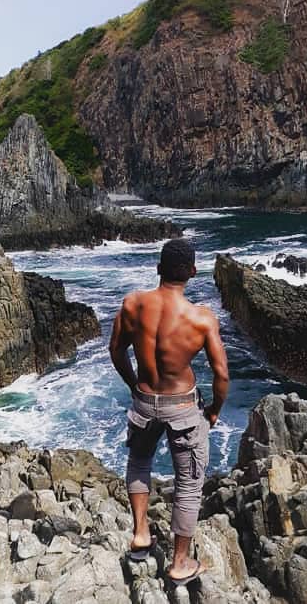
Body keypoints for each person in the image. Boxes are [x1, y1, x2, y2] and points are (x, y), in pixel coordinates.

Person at [108, 238, 229, 584]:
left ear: (159, 269)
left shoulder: (133, 305)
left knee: (139, 463)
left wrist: (133, 383)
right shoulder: (201, 319)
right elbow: (221, 374)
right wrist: (216, 410)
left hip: (144, 401)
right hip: (183, 407)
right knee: (189, 485)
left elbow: (116, 350)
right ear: (192, 272)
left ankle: (141, 533)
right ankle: (179, 563)